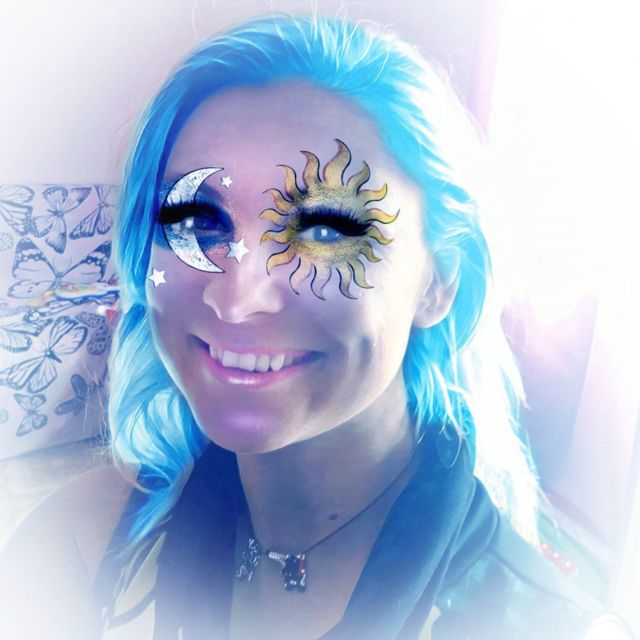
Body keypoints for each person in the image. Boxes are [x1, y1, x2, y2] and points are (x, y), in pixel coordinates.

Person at [0, 13, 631, 640]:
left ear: (439, 282)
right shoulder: (76, 551)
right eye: (197, 222)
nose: (237, 299)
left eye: (325, 230)